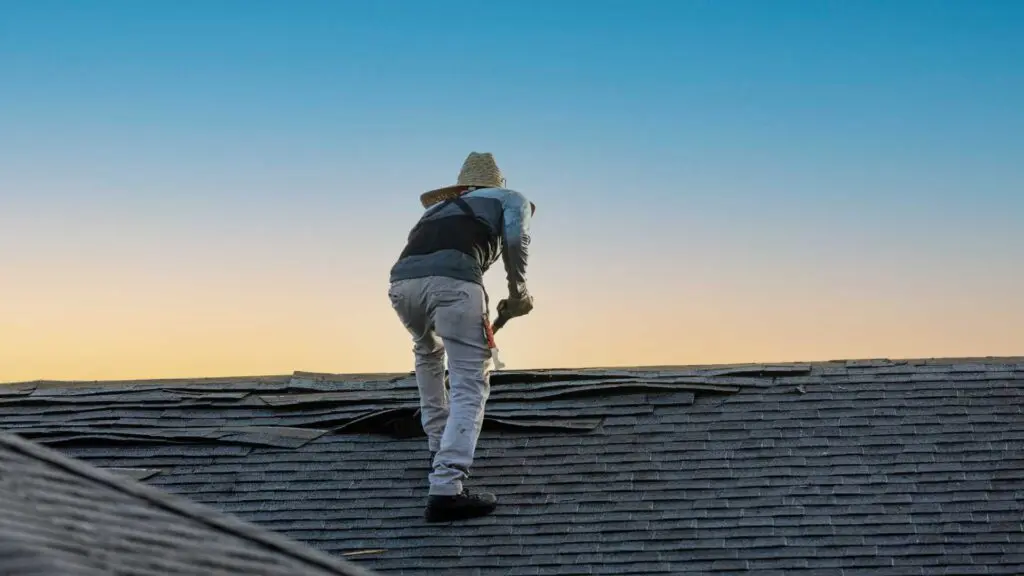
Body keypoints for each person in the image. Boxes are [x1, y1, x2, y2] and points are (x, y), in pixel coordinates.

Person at [387, 152, 535, 522]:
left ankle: (438, 448)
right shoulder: (511, 198)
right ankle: (446, 486)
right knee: (470, 381)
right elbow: (516, 239)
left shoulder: (437, 212)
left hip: (402, 286)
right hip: (455, 286)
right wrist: (518, 294)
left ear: (462, 187)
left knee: (427, 354)